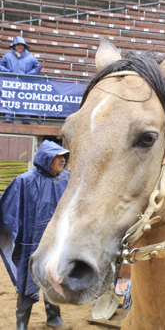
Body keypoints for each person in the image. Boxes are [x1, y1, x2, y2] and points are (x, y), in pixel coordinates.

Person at [0, 140, 71, 330]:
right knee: (27, 281)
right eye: (59, 156)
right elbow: (7, 208)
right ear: (46, 158)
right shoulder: (25, 181)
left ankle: (54, 318)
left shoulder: (67, 180)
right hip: (30, 243)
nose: (63, 160)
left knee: (55, 278)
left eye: (65, 156)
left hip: (58, 242)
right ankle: (22, 324)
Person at [1, 36, 41, 124]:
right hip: (11, 83)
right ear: (14, 46)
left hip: (25, 83)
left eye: (22, 45)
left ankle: (26, 120)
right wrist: (8, 72)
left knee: (25, 100)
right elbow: (1, 65)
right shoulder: (7, 56)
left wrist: (29, 75)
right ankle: (9, 120)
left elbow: (38, 67)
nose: (20, 47)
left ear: (24, 46)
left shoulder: (30, 56)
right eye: (18, 45)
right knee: (9, 99)